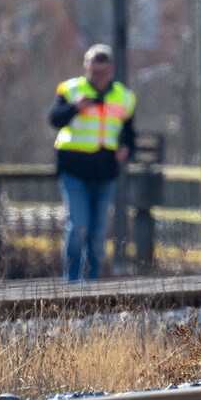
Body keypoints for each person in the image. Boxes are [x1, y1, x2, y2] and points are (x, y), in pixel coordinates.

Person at [48, 44, 136, 280]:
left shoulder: (124, 97)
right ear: (86, 67)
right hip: (73, 168)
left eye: (102, 72)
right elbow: (54, 119)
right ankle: (72, 284)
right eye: (93, 71)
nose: (98, 77)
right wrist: (74, 108)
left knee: (97, 234)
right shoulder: (71, 89)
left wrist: (127, 149)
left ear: (111, 70)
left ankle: (93, 285)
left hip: (105, 172)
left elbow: (130, 134)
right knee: (78, 226)